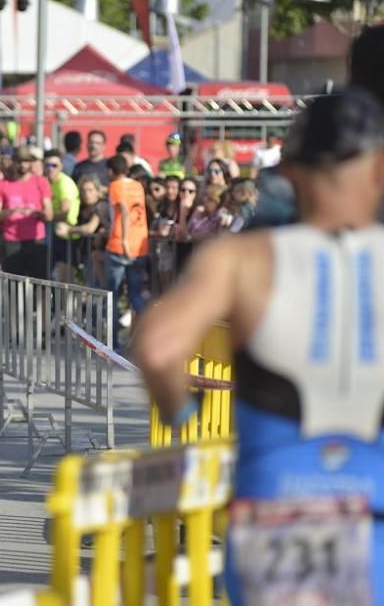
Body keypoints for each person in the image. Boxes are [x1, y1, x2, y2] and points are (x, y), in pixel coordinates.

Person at [134, 89, 384, 606]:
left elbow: (159, 349)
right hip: (371, 510)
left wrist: (184, 418)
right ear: (379, 168)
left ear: (289, 171)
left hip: (272, 508)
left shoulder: (242, 259)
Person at [103, 154, 148, 347]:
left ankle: (113, 343)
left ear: (112, 171)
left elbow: (123, 209)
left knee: (111, 295)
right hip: (140, 245)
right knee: (135, 295)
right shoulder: (138, 186)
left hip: (120, 246)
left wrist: (123, 241)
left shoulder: (115, 186)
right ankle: (148, 334)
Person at [0, 146, 53, 278]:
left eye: (26, 161)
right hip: (12, 241)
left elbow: (49, 214)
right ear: (14, 162)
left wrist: (37, 213)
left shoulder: (40, 182)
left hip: (36, 240)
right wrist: (9, 212)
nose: (23, 164)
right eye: (20, 161)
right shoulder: (3, 185)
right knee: (13, 286)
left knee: (39, 284)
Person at [45, 149, 80, 282]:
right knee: (51, 277)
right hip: (53, 233)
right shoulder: (47, 182)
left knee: (63, 281)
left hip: (66, 236)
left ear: (61, 166)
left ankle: (65, 303)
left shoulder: (64, 183)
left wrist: (46, 217)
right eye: (47, 165)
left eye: (54, 165)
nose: (50, 169)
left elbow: (65, 212)